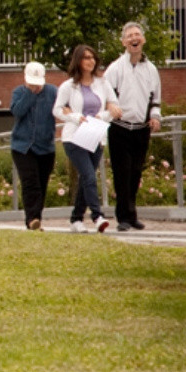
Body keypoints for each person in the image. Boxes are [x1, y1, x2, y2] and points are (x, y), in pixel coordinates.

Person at [53, 44, 117, 234]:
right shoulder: (68, 86)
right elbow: (57, 109)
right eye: (86, 58)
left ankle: (76, 219)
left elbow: (113, 108)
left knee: (85, 180)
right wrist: (74, 116)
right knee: (89, 176)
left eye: (92, 57)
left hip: (96, 136)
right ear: (78, 61)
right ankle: (97, 216)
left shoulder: (102, 83)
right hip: (74, 138)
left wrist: (101, 117)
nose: (90, 61)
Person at [104, 21, 162, 231]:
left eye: (137, 35)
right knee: (122, 173)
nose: (134, 38)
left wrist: (155, 116)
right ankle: (123, 218)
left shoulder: (151, 69)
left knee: (136, 172)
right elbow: (106, 95)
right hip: (120, 128)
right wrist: (112, 106)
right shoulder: (115, 69)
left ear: (143, 40)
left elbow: (155, 98)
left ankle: (132, 214)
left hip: (141, 129)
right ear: (123, 42)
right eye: (129, 36)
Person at [9, 61, 58, 230]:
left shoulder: (52, 92)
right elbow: (17, 111)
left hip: (46, 147)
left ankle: (36, 218)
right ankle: (32, 219)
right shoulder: (19, 92)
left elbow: (61, 108)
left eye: (38, 83)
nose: (36, 86)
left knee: (42, 183)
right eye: (32, 83)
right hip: (23, 147)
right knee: (30, 182)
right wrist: (29, 93)